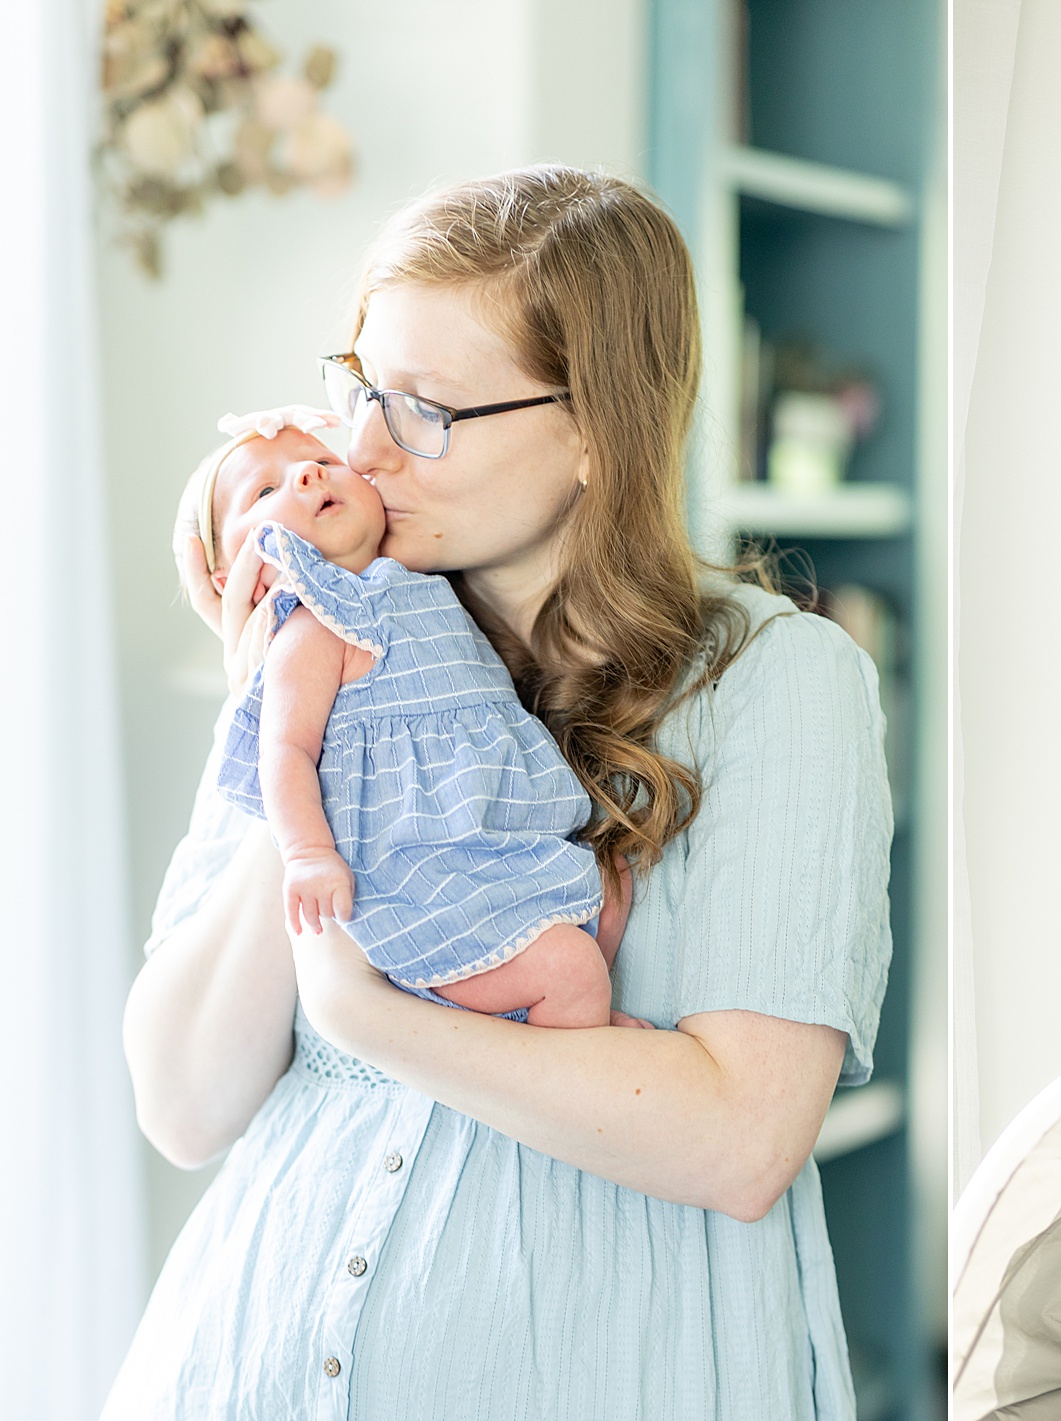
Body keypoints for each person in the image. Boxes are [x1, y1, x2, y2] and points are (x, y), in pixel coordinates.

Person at [108, 167, 893, 1419]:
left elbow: (740, 1138)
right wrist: (298, 729)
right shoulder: (329, 632)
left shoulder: (775, 683)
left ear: (596, 426)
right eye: (358, 385)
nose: (358, 448)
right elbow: (186, 1103)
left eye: (425, 409)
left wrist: (370, 1017)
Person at [190, 415, 624, 1026]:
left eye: (322, 459)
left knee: (611, 904)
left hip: (491, 837)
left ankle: (564, 1021)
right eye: (265, 493)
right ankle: (578, 1040)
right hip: (423, 874)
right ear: (237, 575)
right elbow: (284, 750)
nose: (310, 473)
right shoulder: (314, 627)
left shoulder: (422, 582)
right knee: (568, 966)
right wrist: (308, 853)